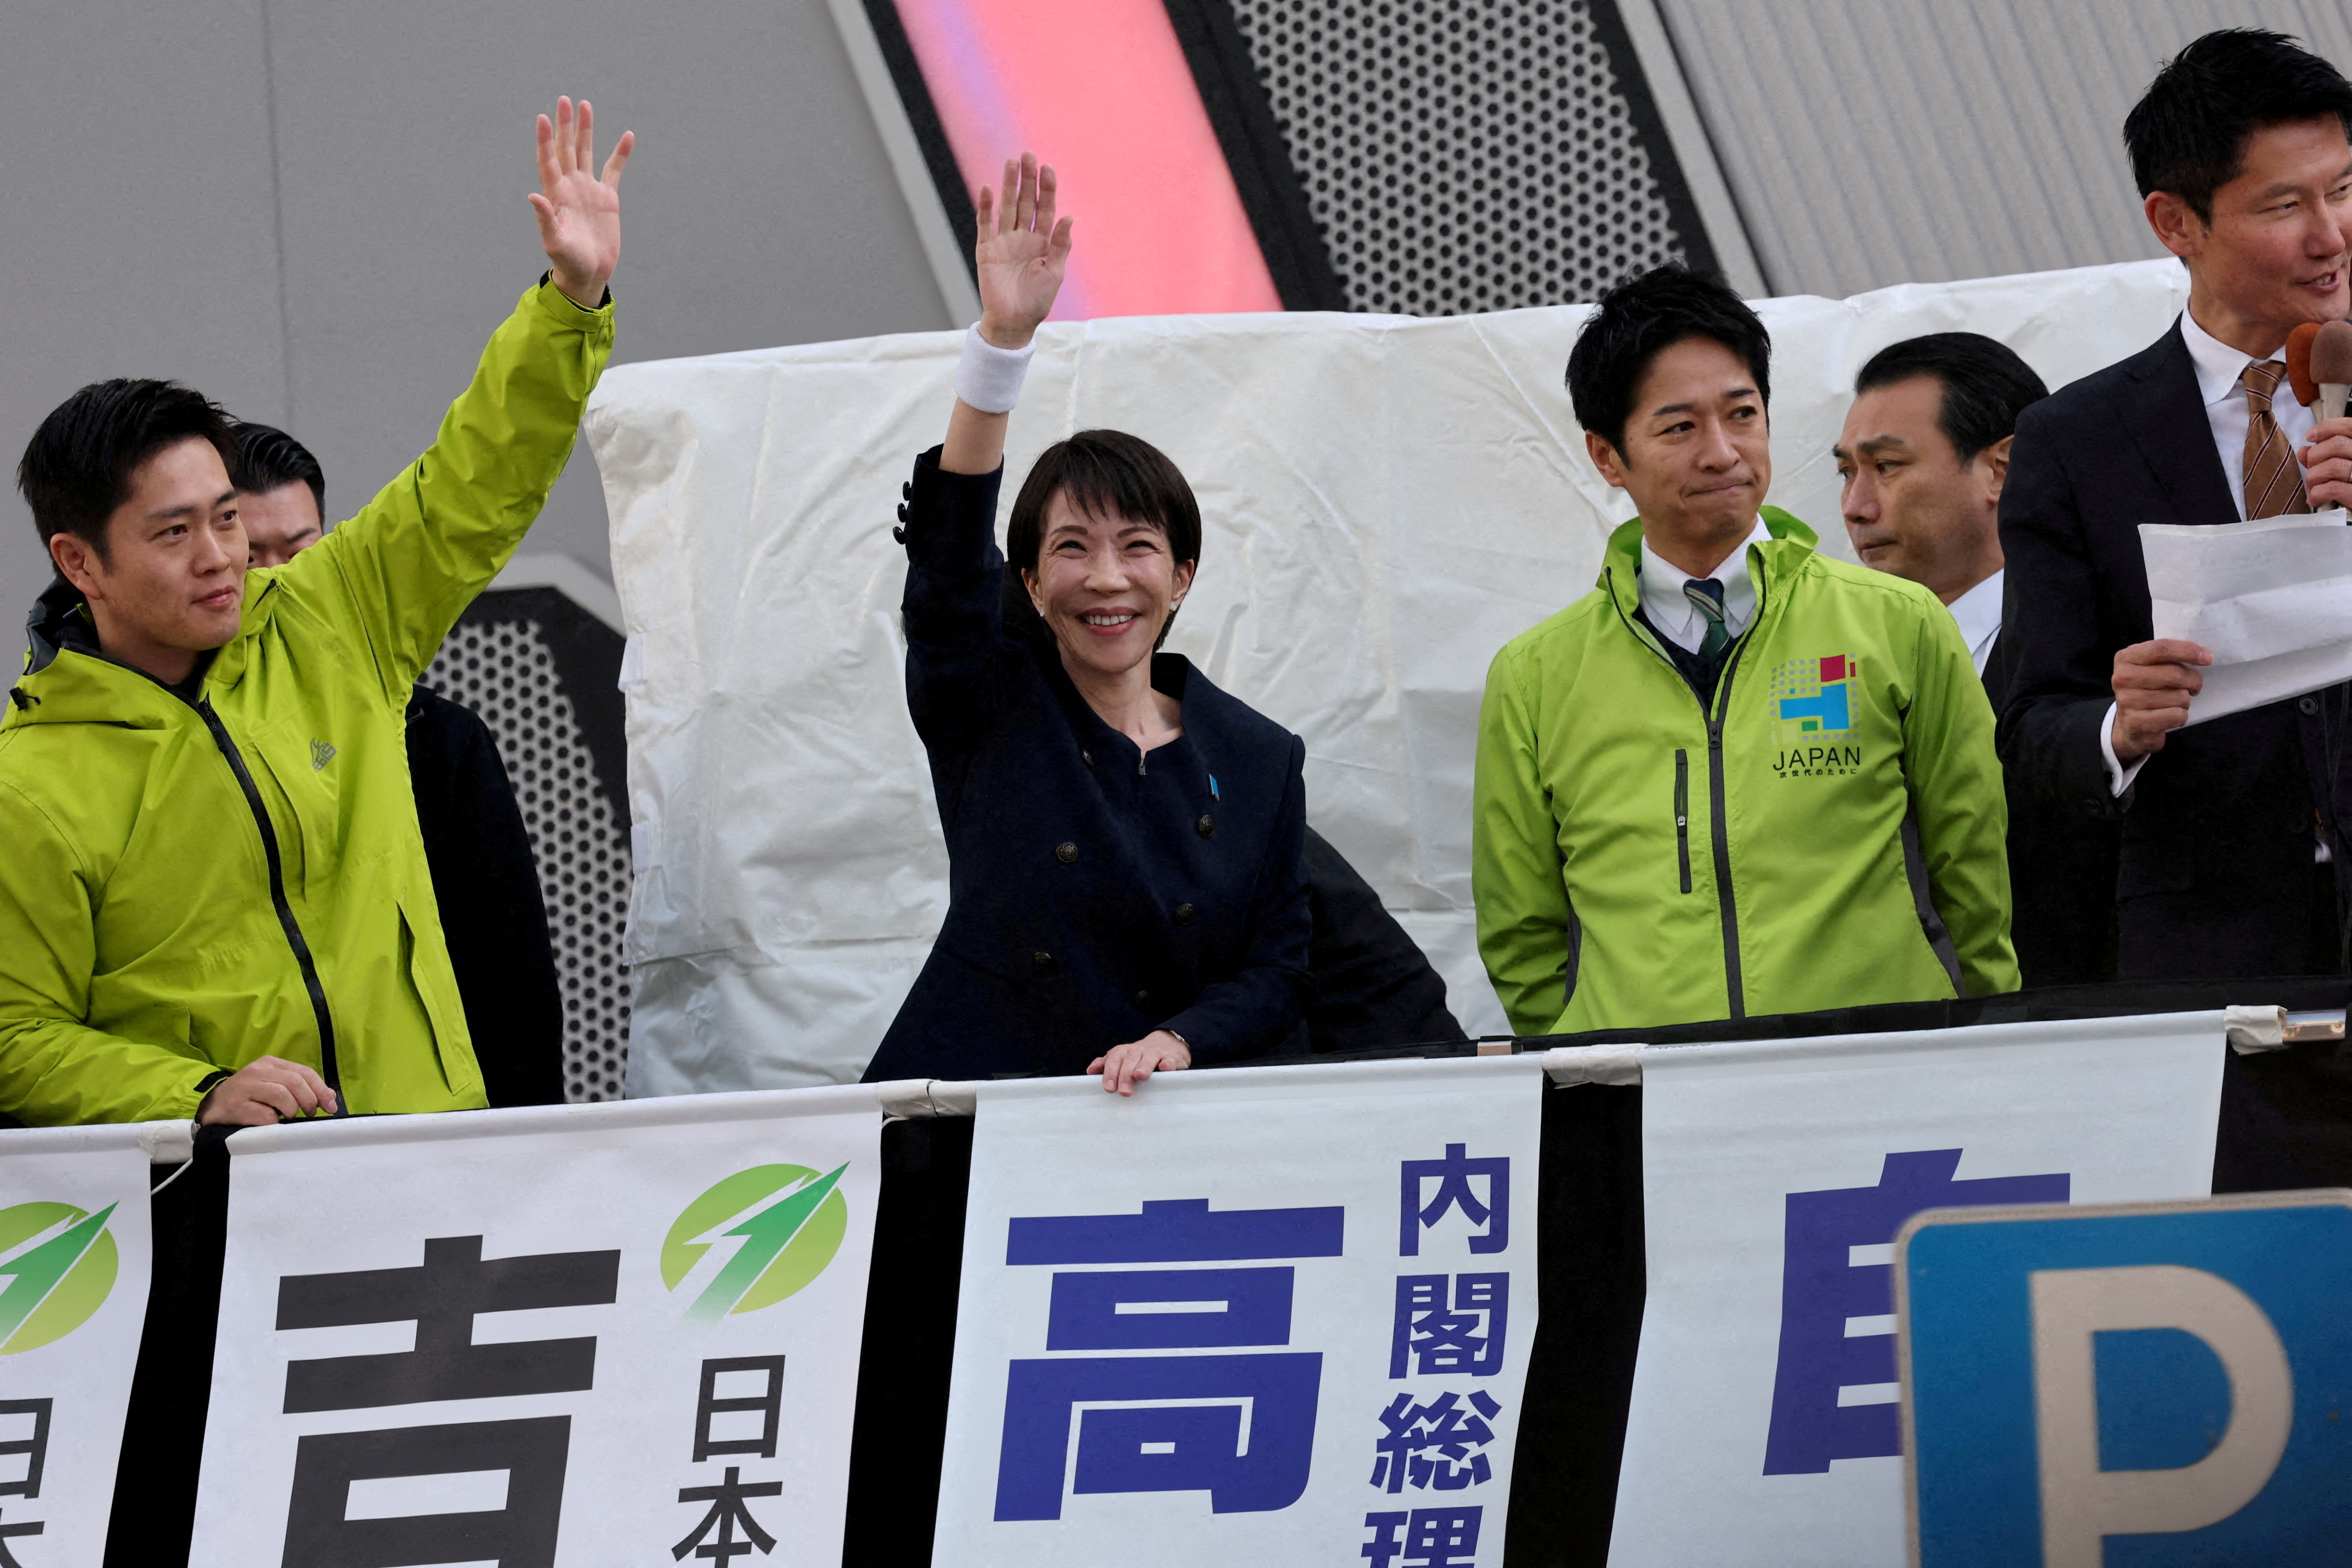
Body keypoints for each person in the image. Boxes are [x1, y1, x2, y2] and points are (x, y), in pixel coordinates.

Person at [0, 96, 629, 1126]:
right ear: (82, 564)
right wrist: (194, 1095)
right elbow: (15, 1042)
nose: (220, 559)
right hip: (221, 1218)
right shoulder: (26, 791)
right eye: (172, 534)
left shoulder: (331, 616)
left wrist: (571, 299)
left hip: (432, 1165)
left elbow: (479, 474)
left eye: (224, 520)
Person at [860, 153, 1312, 1094]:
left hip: (1158, 1131)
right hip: (976, 1121)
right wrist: (1002, 344)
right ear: (1027, 583)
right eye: (1072, 548)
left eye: (1138, 546)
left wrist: (1180, 1038)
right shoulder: (989, 706)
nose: (1107, 578)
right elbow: (947, 575)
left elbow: (1277, 969)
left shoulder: (1261, 759)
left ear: (1182, 575)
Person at [1473, 265, 2015, 1036]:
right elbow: (1520, 932)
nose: (1723, 452)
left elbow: (1975, 875)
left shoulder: (1898, 623)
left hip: (1883, 1080)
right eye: (1679, 427)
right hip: (1659, 1101)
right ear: (1607, 456)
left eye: (1742, 413)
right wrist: (1601, 1053)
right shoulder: (1535, 677)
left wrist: (1983, 1032)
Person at [2001, 29, 2352, 982]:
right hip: (2213, 956)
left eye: (2345, 189)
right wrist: (2118, 726)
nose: (2331, 235)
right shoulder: (2074, 442)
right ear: (2175, 222)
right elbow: (2030, 726)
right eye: (2285, 204)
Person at [230, 421, 566, 1107]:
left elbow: (509, 976)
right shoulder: (166, 748)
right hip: (252, 1151)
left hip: (438, 1142)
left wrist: (531, 1139)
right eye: (250, 556)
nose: (276, 581)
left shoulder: (436, 740)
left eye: (299, 551)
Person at [1835, 334, 2119, 987]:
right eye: (1847, 471)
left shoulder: (2105, 648)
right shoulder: (1839, 663)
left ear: (2002, 470)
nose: (1856, 506)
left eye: (1888, 467)